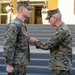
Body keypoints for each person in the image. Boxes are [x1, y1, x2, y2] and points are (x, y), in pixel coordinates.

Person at [31, 8, 72, 75]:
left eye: (49, 19)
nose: (48, 21)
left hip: (61, 67)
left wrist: (35, 41)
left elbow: (48, 44)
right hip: (61, 65)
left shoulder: (62, 30)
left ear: (54, 18)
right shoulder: (61, 29)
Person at [3, 1, 33, 75]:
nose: (30, 11)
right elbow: (8, 45)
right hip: (16, 64)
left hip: (22, 63)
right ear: (21, 10)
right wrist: (9, 64)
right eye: (28, 9)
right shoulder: (14, 25)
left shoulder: (21, 24)